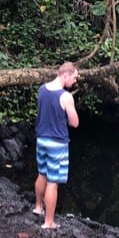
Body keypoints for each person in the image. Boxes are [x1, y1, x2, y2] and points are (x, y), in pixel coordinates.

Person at [33, 61, 79, 229]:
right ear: (65, 75)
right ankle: (49, 222)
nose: (75, 81)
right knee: (53, 182)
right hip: (57, 143)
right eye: (74, 77)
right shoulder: (66, 96)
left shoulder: (42, 89)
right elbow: (75, 123)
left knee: (41, 174)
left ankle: (38, 207)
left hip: (41, 139)